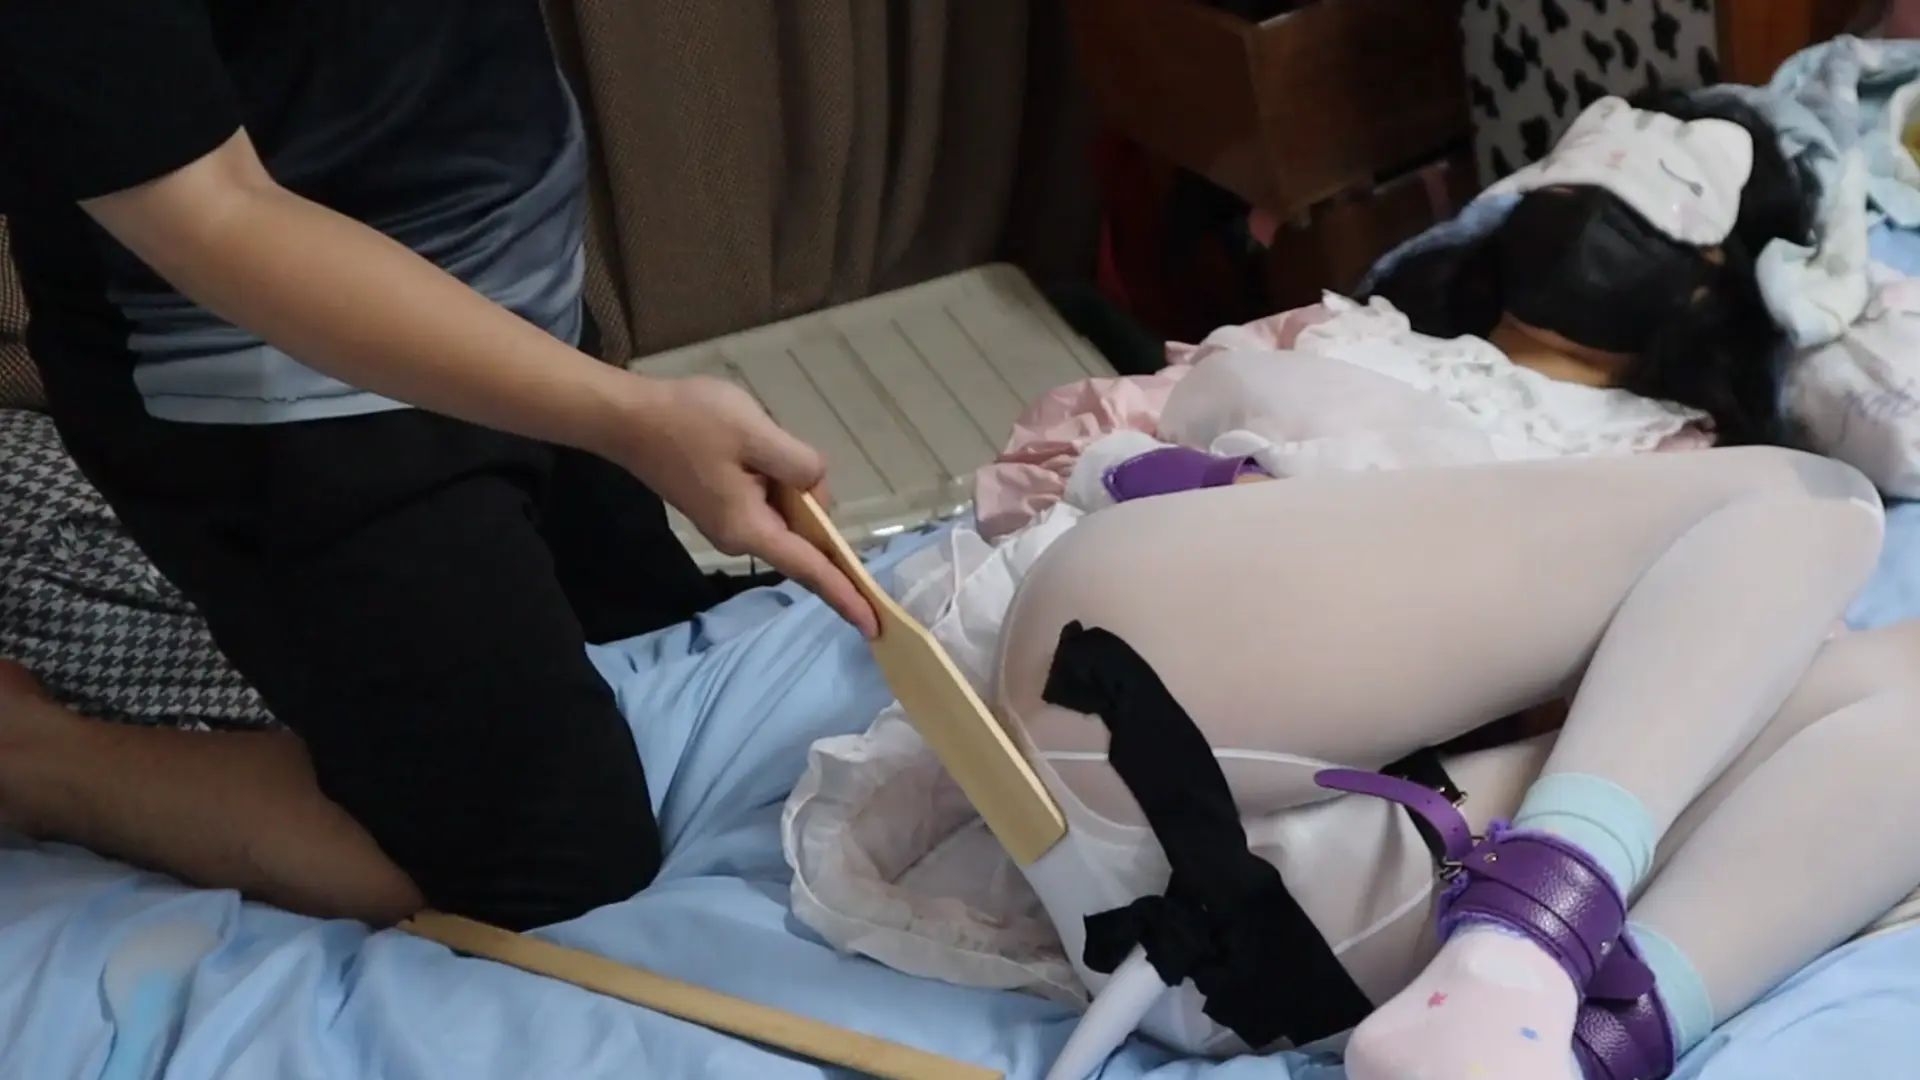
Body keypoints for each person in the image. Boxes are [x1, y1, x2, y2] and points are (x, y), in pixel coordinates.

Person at [0, 1, 876, 932]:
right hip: (272, 398)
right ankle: (37, 757)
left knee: (667, 656)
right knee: (557, 873)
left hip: (517, 299)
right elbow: (211, 214)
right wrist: (625, 417)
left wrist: (601, 406)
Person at [998, 445, 1920, 1080]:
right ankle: (1581, 1024)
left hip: (1250, 914)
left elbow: (1144, 463)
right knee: (1816, 539)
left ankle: (1524, 971)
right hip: (1307, 957)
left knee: (1816, 504)